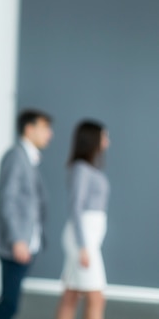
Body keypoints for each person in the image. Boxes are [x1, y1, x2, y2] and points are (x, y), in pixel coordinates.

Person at [0, 109, 53, 319]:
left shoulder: (30, 158)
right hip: (17, 244)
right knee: (9, 305)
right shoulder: (16, 156)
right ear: (29, 128)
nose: (50, 134)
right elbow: (8, 200)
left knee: (8, 302)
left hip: (27, 243)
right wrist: (17, 240)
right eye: (45, 128)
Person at [56, 120, 110, 319]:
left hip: (87, 237)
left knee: (71, 295)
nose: (107, 142)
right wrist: (83, 246)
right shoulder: (81, 168)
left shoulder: (88, 168)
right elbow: (76, 207)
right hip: (82, 238)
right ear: (93, 139)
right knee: (96, 298)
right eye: (104, 137)